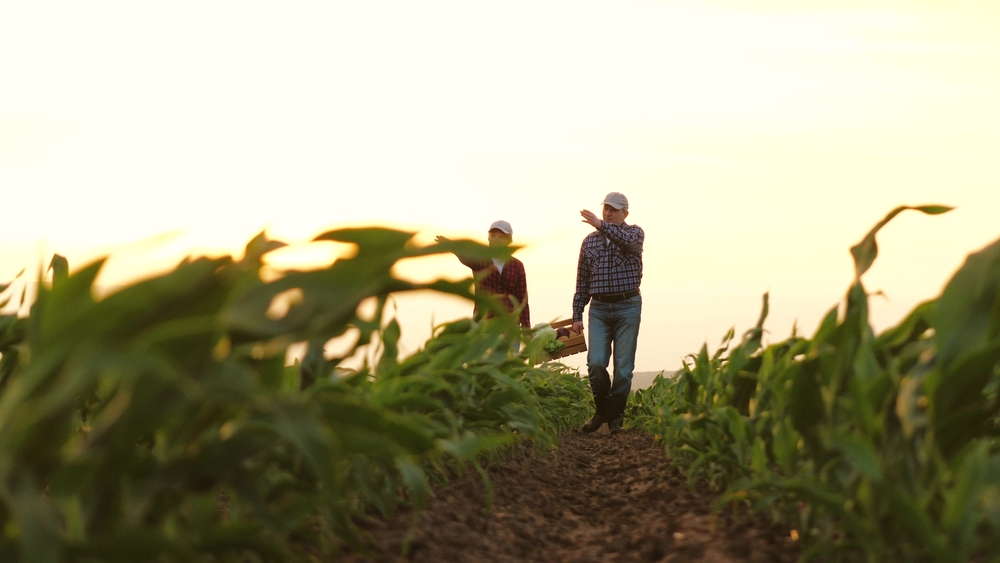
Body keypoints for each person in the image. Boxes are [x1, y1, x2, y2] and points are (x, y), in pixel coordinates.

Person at [572, 192, 643, 434]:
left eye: (614, 209)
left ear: (626, 213)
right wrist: (576, 315)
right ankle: (601, 411)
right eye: (606, 209)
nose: (608, 213)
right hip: (599, 309)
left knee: (623, 367)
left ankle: (615, 420)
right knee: (596, 363)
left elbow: (629, 243)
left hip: (628, 306)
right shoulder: (589, 242)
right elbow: (582, 281)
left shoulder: (635, 233)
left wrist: (602, 225)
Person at [436, 220, 531, 330]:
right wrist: (451, 246)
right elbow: (465, 256)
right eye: (493, 236)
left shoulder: (517, 266)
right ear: (489, 238)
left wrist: (526, 327)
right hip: (484, 322)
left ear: (509, 240)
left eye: (501, 237)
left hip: (509, 325)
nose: (496, 240)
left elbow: (522, 298)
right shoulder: (480, 260)